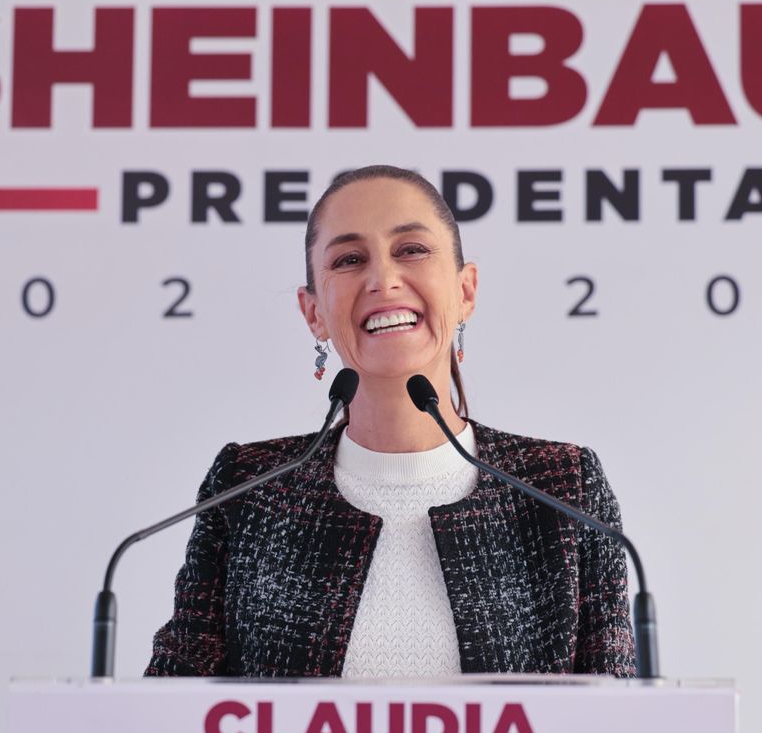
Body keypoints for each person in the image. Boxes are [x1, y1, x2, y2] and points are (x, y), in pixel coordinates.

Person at [145, 165, 635, 678]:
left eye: (412, 250)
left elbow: (617, 710)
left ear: (466, 291)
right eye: (349, 260)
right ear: (313, 312)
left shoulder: (563, 488)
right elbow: (172, 703)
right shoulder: (248, 487)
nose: (383, 279)